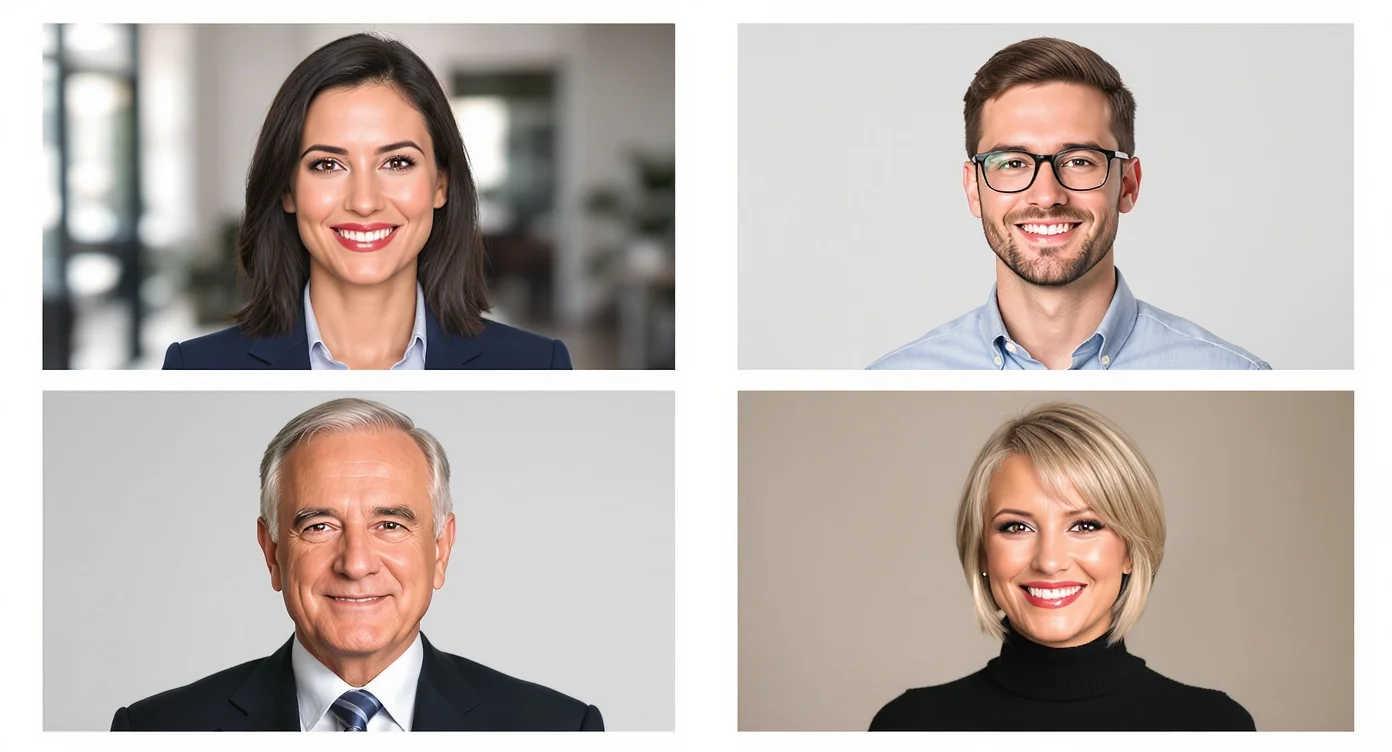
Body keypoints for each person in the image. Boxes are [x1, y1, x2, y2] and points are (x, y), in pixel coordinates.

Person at [111, 398, 602, 731]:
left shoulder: (558, 728)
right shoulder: (156, 729)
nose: (356, 562)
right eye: (319, 525)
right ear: (273, 552)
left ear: (440, 548)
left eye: (390, 524)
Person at [163, 34, 571, 369]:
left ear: (440, 185)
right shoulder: (195, 368)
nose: (363, 201)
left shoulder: (538, 366)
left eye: (396, 162)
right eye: (327, 165)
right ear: (287, 190)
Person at [868, 38, 1268, 370]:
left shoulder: (1235, 374)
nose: (1046, 196)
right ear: (974, 188)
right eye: (1013, 163)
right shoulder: (891, 377)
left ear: (1127, 183)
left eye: (1078, 161)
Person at [869, 403, 1255, 731]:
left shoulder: (1214, 726)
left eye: (1085, 525)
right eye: (1016, 527)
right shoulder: (909, 726)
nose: (1049, 562)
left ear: (1130, 551)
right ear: (984, 553)